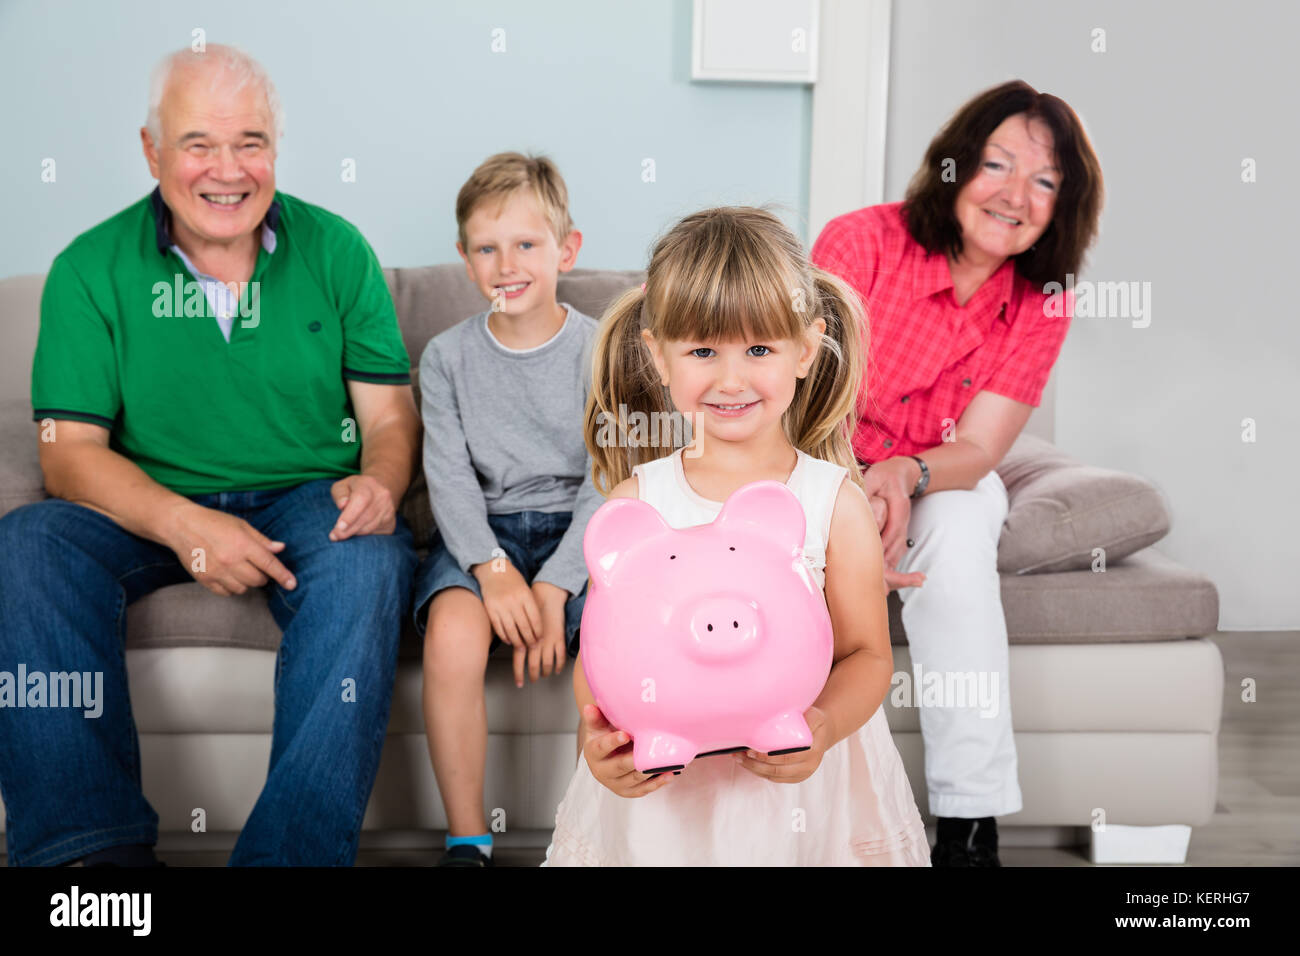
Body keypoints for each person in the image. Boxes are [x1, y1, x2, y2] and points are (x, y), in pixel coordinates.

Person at [0, 45, 421, 866]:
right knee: (27, 544)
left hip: (305, 496)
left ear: (276, 150)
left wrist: (381, 480)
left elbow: (391, 419)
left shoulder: (337, 251)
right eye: (198, 144)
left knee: (373, 555)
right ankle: (88, 862)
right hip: (146, 505)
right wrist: (188, 526)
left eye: (250, 142)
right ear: (152, 151)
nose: (227, 170)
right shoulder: (90, 268)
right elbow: (70, 458)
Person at [542, 206, 930, 866]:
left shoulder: (833, 501)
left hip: (802, 796)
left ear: (805, 349)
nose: (730, 379)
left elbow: (868, 654)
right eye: (701, 351)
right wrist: (600, 743)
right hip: (668, 803)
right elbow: (602, 659)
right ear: (657, 355)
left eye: (759, 350)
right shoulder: (640, 500)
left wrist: (825, 726)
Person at [811, 79, 1104, 866]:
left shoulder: (1042, 301)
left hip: (930, 473)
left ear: (1063, 206)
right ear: (954, 166)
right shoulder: (859, 241)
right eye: (997, 165)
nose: (1016, 195)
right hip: (821, 457)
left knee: (969, 513)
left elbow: (977, 448)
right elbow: (806, 398)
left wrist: (903, 475)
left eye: (1045, 182)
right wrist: (852, 496)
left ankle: (970, 825)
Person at [412, 153, 602, 867]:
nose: (506, 263)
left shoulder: (599, 349)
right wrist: (492, 570)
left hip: (577, 537)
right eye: (487, 249)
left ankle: (590, 839)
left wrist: (556, 583)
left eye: (526, 244)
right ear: (464, 259)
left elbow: (609, 477)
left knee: (611, 651)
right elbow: (449, 478)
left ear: (567, 249)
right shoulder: (445, 357)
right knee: (453, 639)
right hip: (479, 538)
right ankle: (468, 841)